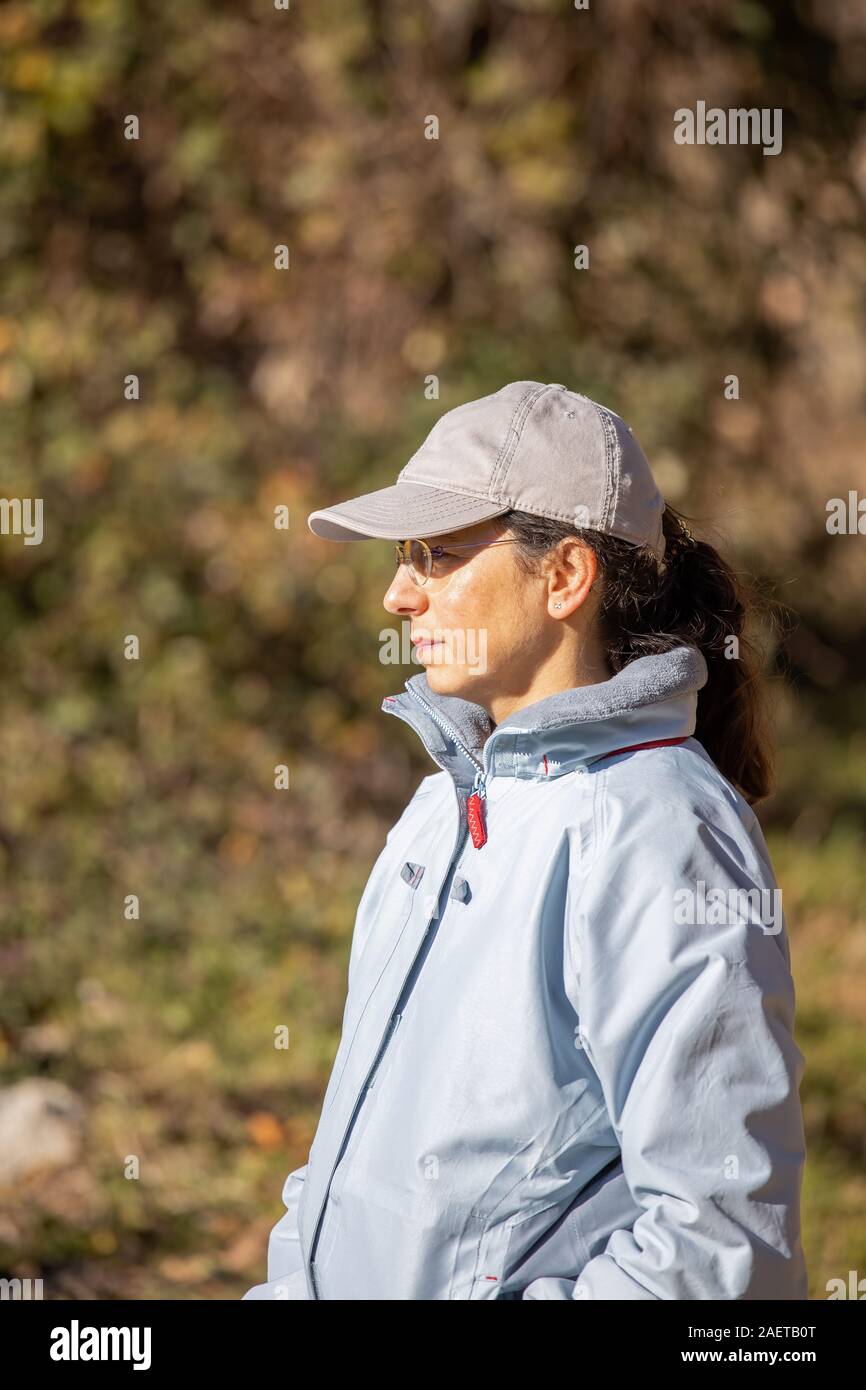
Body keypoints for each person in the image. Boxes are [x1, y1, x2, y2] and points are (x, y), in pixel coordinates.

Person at [242, 380, 808, 1301]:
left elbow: (724, 1252)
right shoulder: (439, 809)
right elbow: (351, 1159)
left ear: (565, 577)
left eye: (437, 554)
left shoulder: (664, 835)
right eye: (402, 557)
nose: (397, 594)